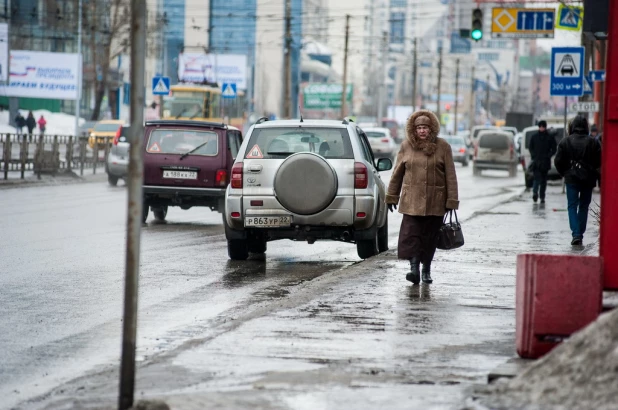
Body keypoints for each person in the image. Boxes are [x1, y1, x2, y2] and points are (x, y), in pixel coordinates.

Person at [386, 110, 459, 285]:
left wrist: (451, 200)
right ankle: (414, 270)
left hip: (436, 201)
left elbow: (451, 175)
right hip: (412, 201)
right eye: (419, 128)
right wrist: (391, 196)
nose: (422, 131)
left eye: (425, 127)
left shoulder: (443, 147)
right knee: (411, 235)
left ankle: (426, 270)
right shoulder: (406, 146)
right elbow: (397, 173)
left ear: (431, 128)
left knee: (430, 237)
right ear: (414, 129)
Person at [554, 115, 602, 246]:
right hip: (588, 178)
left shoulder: (565, 141)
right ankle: (579, 233)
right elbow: (600, 160)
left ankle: (576, 234)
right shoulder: (593, 142)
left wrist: (565, 173)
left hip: (572, 179)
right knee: (584, 206)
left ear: (573, 126)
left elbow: (558, 161)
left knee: (572, 205)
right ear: (585, 127)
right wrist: (594, 172)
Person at [528, 120, 557, 204]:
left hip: (545, 162)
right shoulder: (534, 137)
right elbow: (531, 147)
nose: (541, 128)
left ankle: (542, 197)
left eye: (543, 127)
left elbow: (554, 148)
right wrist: (534, 156)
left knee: (543, 181)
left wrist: (548, 155)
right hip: (536, 161)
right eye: (540, 126)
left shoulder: (549, 137)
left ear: (545, 127)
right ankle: (535, 193)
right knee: (536, 178)